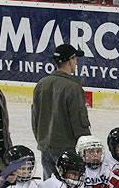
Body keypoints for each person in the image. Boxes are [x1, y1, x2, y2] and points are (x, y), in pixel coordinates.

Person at [32, 44, 91, 179]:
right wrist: (87, 147)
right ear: (70, 60)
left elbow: (35, 119)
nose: (76, 63)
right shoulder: (73, 88)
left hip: (46, 148)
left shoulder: (41, 84)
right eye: (75, 59)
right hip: (67, 151)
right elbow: (79, 122)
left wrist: (43, 142)